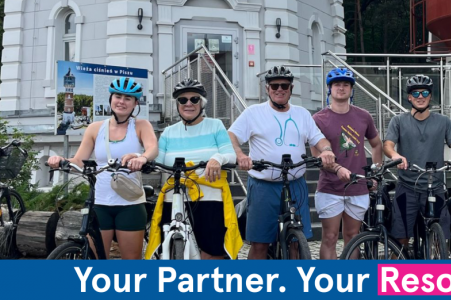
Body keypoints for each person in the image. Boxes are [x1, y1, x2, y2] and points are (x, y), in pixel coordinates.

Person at [228, 66, 336, 259]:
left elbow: (319, 139)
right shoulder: (254, 112)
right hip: (264, 185)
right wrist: (240, 155)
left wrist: (326, 150)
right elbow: (231, 136)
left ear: (291, 88)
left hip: (295, 183)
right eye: (274, 86)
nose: (280, 89)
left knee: (295, 244)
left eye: (284, 86)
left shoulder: (302, 114)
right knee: (260, 244)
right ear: (267, 89)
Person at [48, 77, 158, 259]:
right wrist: (60, 160)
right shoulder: (95, 128)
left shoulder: (141, 125)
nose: (121, 101)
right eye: (118, 96)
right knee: (97, 259)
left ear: (135, 103)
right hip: (99, 203)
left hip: (129, 203)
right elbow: (79, 161)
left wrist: (141, 158)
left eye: (127, 98)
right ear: (111, 99)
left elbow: (152, 148)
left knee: (132, 262)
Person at [146, 78, 241, 260]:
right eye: (183, 100)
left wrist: (217, 158)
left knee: (212, 251)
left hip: (209, 195)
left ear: (202, 103)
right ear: (177, 105)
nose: (188, 103)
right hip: (173, 195)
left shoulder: (215, 126)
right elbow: (155, 161)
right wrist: (140, 159)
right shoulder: (168, 132)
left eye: (194, 99)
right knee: (167, 247)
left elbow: (231, 155)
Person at [384, 75, 451, 249]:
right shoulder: (398, 121)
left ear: (430, 96)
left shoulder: (443, 121)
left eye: (425, 92)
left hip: (435, 187)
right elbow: (388, 145)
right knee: (400, 240)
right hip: (407, 188)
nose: (420, 96)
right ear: (409, 97)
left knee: (439, 240)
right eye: (415, 93)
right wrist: (395, 156)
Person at [311, 68, 383, 259]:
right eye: (337, 84)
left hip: (358, 186)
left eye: (346, 85)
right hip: (330, 187)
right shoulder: (318, 119)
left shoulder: (363, 116)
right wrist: (336, 169)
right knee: (330, 237)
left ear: (352, 90)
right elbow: (317, 156)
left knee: (353, 237)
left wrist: (375, 172)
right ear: (329, 89)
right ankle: (329, 282)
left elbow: (376, 144)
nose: (341, 88)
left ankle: (350, 281)